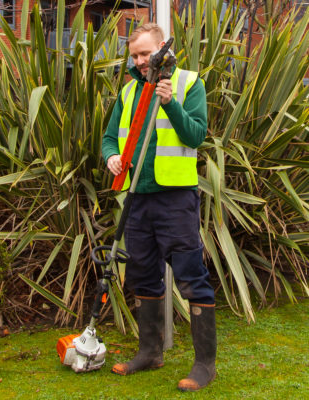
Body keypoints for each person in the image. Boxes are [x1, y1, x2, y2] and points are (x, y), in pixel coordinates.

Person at [101, 23, 216, 392]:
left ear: (162, 48)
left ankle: (205, 365)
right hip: (137, 197)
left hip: (175, 198)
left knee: (190, 275)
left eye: (146, 53)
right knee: (142, 274)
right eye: (134, 55)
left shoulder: (187, 84)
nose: (140, 60)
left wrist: (171, 105)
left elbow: (196, 134)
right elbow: (108, 138)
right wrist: (112, 157)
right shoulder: (129, 91)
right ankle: (150, 353)